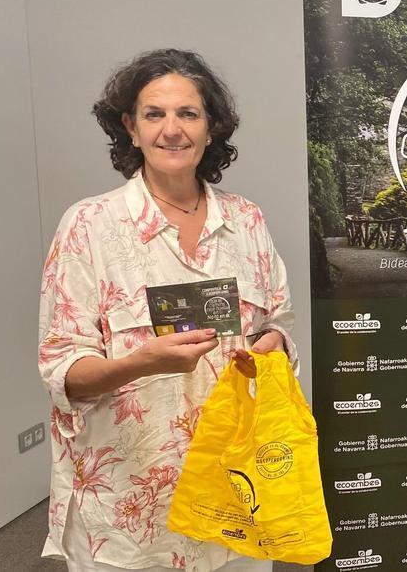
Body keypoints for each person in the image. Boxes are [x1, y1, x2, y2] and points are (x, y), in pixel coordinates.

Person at [37, 49, 296, 572]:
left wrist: (275, 345)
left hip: (235, 495)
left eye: (189, 114)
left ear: (211, 129)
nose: (171, 130)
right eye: (154, 114)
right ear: (130, 128)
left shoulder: (246, 220)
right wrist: (141, 362)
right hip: (133, 514)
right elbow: (63, 373)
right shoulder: (89, 226)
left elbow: (277, 324)